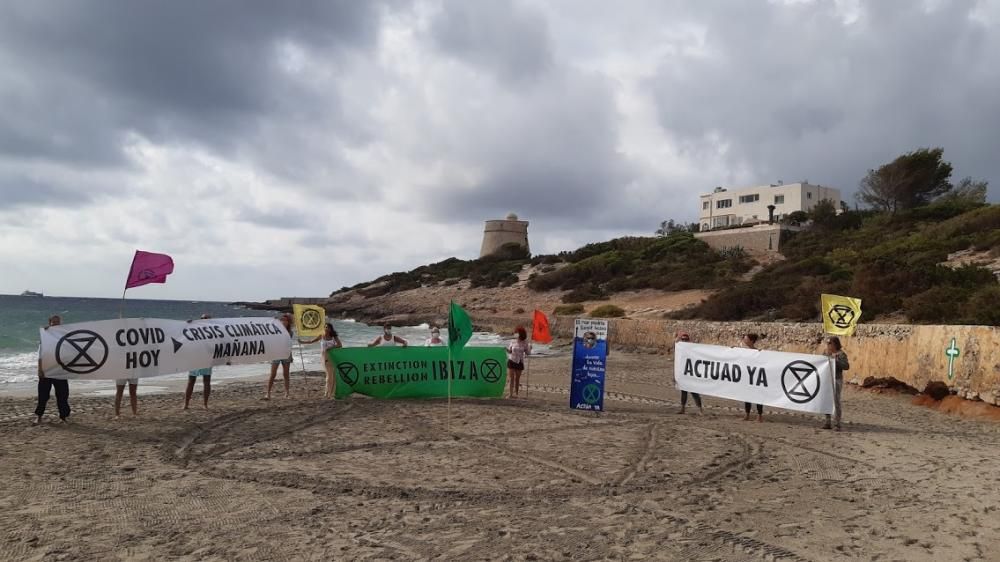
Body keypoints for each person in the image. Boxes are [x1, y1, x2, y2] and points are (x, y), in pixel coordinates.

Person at [34, 315, 70, 425]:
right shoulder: (46, 335)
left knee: (63, 395)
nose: (55, 324)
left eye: (57, 322)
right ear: (50, 323)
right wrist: (40, 369)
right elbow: (40, 354)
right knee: (43, 395)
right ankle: (39, 416)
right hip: (47, 369)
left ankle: (63, 417)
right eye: (53, 322)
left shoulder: (64, 335)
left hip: (60, 370)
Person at [300, 323, 343, 399]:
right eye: (325, 327)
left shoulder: (334, 337)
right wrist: (302, 342)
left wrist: (331, 347)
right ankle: (328, 393)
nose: (326, 328)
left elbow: (340, 345)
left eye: (328, 327)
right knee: (329, 376)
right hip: (324, 357)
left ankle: (329, 393)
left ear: (330, 329)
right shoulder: (321, 336)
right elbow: (311, 341)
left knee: (331, 376)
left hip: (332, 357)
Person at [185, 314, 214, 410]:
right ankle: (186, 404)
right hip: (195, 358)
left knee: (206, 382)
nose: (205, 320)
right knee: (191, 381)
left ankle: (205, 404)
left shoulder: (214, 331)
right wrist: (188, 323)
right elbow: (185, 331)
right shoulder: (195, 328)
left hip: (207, 359)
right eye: (203, 318)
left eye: (207, 318)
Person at [265, 314, 294, 400]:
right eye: (282, 320)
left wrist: (291, 355)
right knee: (273, 374)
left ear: (288, 322)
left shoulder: (290, 332)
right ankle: (268, 393)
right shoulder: (275, 330)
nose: (284, 322)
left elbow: (288, 344)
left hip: (286, 354)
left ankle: (287, 393)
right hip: (276, 354)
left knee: (286, 374)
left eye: (285, 320)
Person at [823, 336, 849, 431]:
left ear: (835, 344)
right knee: (826, 400)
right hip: (827, 379)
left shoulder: (841, 354)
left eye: (830, 343)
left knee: (836, 401)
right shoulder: (825, 353)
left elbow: (846, 366)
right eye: (828, 343)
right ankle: (827, 421)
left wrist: (835, 360)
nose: (828, 345)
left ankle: (837, 423)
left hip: (836, 379)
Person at [674, 332, 703, 415]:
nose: (684, 341)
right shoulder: (679, 348)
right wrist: (678, 338)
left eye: (686, 339)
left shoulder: (692, 348)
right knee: (683, 392)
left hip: (691, 373)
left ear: (688, 340)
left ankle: (700, 410)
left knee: (694, 392)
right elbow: (675, 344)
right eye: (683, 339)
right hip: (683, 374)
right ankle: (682, 409)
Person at [741, 333, 764, 422]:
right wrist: (732, 350)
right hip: (747, 377)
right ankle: (747, 415)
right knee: (747, 396)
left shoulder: (758, 352)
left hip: (756, 377)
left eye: (746, 339)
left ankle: (759, 416)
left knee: (758, 396)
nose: (744, 340)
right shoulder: (743, 351)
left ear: (751, 341)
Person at [506, 326, 531, 398]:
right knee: (511, 378)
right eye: (515, 332)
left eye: (517, 333)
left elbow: (528, 353)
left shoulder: (525, 342)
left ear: (521, 334)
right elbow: (510, 351)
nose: (515, 334)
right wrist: (505, 349)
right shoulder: (512, 341)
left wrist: (530, 347)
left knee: (517, 379)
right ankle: (510, 394)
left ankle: (516, 393)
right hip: (512, 361)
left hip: (520, 362)